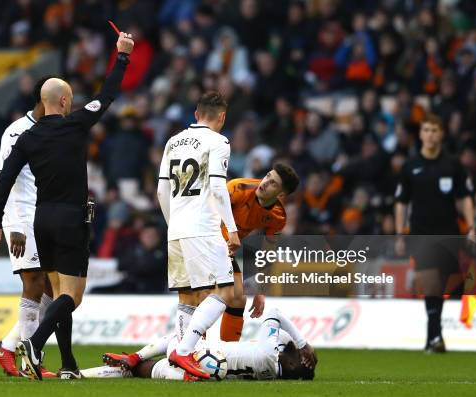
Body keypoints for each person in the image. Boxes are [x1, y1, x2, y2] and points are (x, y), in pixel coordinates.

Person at [0, 31, 134, 380]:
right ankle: (35, 343)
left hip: (41, 220)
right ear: (66, 101)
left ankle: (68, 365)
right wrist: (123, 56)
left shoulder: (26, 137)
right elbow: (108, 94)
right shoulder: (77, 125)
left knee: (55, 295)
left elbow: (5, 178)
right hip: (70, 219)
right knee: (72, 296)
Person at [156, 91, 241, 379]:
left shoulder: (172, 141)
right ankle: (185, 351)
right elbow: (218, 188)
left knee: (187, 296)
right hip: (203, 227)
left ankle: (180, 360)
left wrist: (173, 223)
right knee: (226, 291)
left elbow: (161, 191)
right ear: (222, 117)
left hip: (176, 228)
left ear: (196, 114)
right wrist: (232, 229)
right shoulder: (219, 142)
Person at [0, 75, 57, 378]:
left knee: (55, 290)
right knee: (34, 281)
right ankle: (33, 362)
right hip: (23, 216)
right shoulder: (16, 131)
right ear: (46, 99)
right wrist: (10, 222)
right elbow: (7, 178)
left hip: (47, 216)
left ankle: (8, 345)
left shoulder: (54, 130)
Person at [394, 113, 475, 353]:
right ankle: (435, 336)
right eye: (426, 130)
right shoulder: (410, 166)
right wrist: (400, 233)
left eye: (434, 130)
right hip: (421, 233)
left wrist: (472, 227)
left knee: (448, 285)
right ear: (420, 134)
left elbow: (465, 198)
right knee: (431, 283)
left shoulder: (453, 165)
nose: (429, 134)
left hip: (450, 233)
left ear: (441, 134)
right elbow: (401, 201)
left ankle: (433, 338)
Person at [94, 308, 316, 381]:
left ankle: (135, 356)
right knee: (147, 372)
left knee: (178, 339)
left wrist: (303, 344)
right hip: (206, 372)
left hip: (199, 354)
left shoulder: (268, 353)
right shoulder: (271, 371)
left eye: (296, 355)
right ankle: (86, 374)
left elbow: (274, 314)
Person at [219, 164, 300, 342]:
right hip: (205, 242)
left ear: (281, 195)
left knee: (238, 299)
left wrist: (261, 290)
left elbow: (267, 252)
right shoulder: (237, 187)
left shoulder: (278, 216)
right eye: (267, 176)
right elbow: (207, 211)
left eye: (273, 183)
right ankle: (193, 352)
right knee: (211, 297)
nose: (265, 182)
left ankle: (227, 354)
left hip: (225, 252)